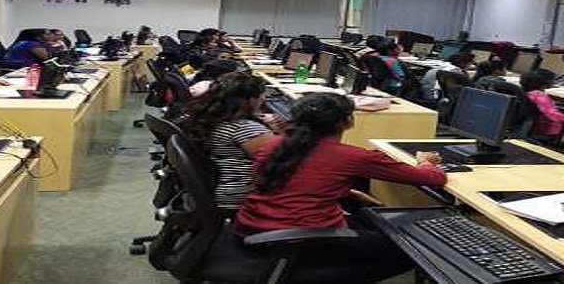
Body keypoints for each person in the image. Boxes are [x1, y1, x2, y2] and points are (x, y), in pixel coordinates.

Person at [235, 93, 446, 282]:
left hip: (249, 230)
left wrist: (344, 191)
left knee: (369, 223)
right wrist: (426, 162)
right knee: (412, 251)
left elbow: (295, 181)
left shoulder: (273, 144)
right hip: (298, 241)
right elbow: (433, 178)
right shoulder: (352, 156)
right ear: (348, 121)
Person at [179, 72, 275, 212]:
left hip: (219, 192)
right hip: (241, 198)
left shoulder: (209, 118)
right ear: (250, 100)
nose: (264, 99)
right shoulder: (246, 129)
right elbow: (280, 165)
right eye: (262, 96)